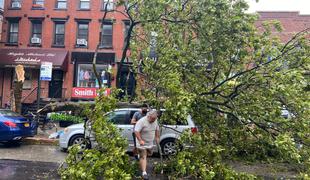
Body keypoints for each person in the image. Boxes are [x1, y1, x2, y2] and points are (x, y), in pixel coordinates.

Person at [134, 110, 160, 179]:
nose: (153, 120)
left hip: (150, 143)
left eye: (155, 119)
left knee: (150, 154)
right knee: (144, 157)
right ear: (148, 116)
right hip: (141, 143)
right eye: (152, 119)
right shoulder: (141, 121)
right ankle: (144, 173)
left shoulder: (155, 120)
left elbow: (157, 129)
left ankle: (139, 156)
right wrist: (140, 140)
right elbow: (136, 131)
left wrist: (157, 137)